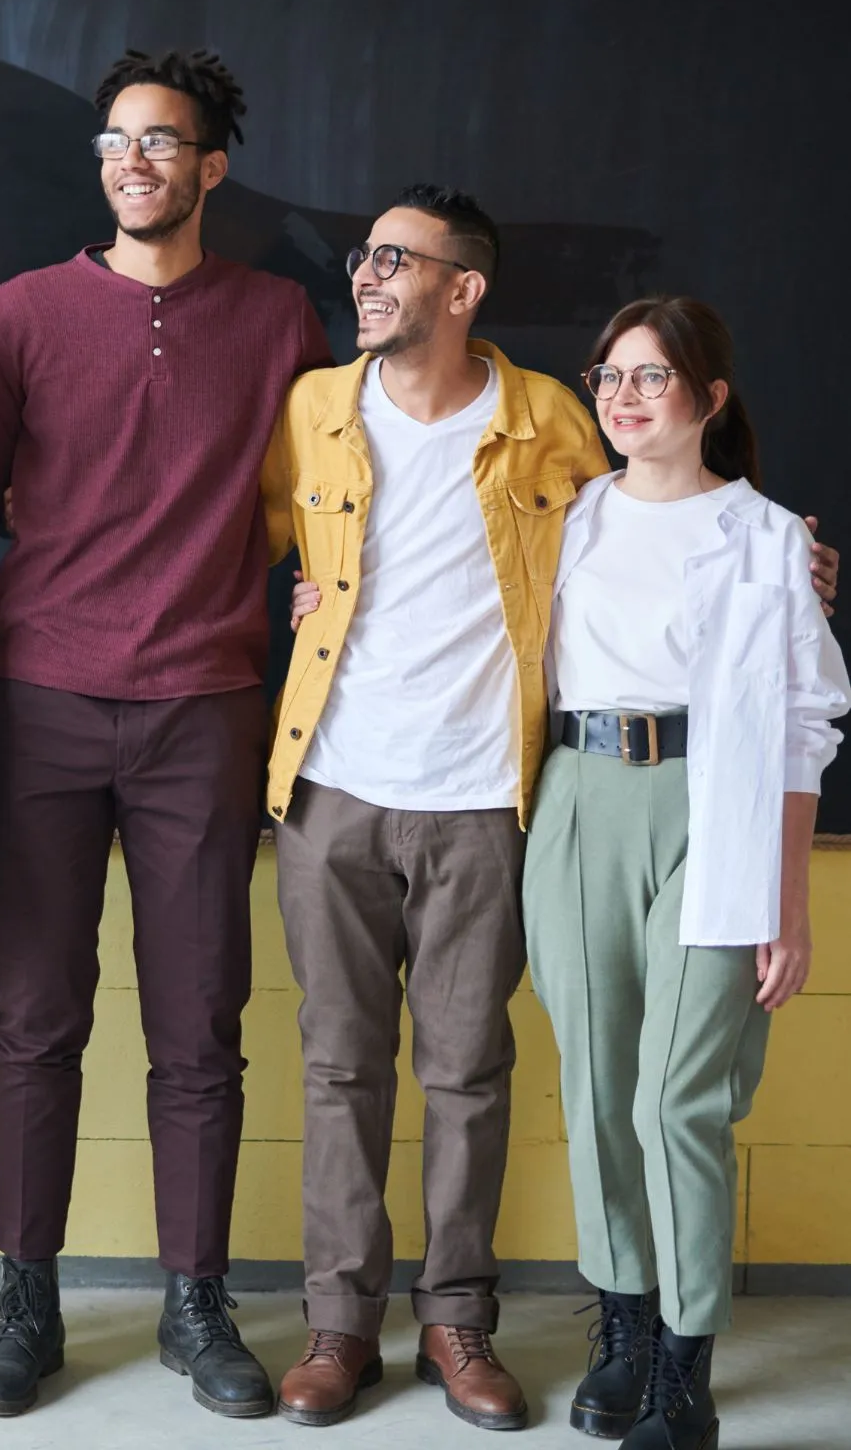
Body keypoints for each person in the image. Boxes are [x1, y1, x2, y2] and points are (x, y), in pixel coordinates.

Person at [270, 187, 839, 1432]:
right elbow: (277, 539)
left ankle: (489, 1327)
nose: (365, 274)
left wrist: (793, 565)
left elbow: (760, 652)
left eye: (393, 258)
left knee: (544, 1080)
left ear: (462, 287)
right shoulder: (330, 412)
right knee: (386, 1071)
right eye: (617, 376)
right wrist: (303, 595)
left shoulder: (557, 434)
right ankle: (377, 1327)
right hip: (428, 788)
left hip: (550, 796)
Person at [0, 48, 331, 1420]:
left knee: (198, 1025)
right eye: (116, 141)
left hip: (204, 709)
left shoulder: (281, 318)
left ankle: (194, 1299)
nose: (134, 161)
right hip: (38, 701)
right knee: (34, 1018)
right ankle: (24, 1299)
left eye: (162, 141)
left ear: (211, 166)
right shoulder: (18, 314)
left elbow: (336, 494)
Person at [521, 297, 849, 1450]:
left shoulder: (769, 538)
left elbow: (808, 720)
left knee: (677, 1099)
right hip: (577, 798)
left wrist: (789, 903)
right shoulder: (564, 518)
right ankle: (623, 1319)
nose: (621, 395)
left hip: (717, 806)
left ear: (710, 398)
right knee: (600, 1088)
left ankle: (685, 1364)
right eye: (609, 374)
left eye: (651, 377)